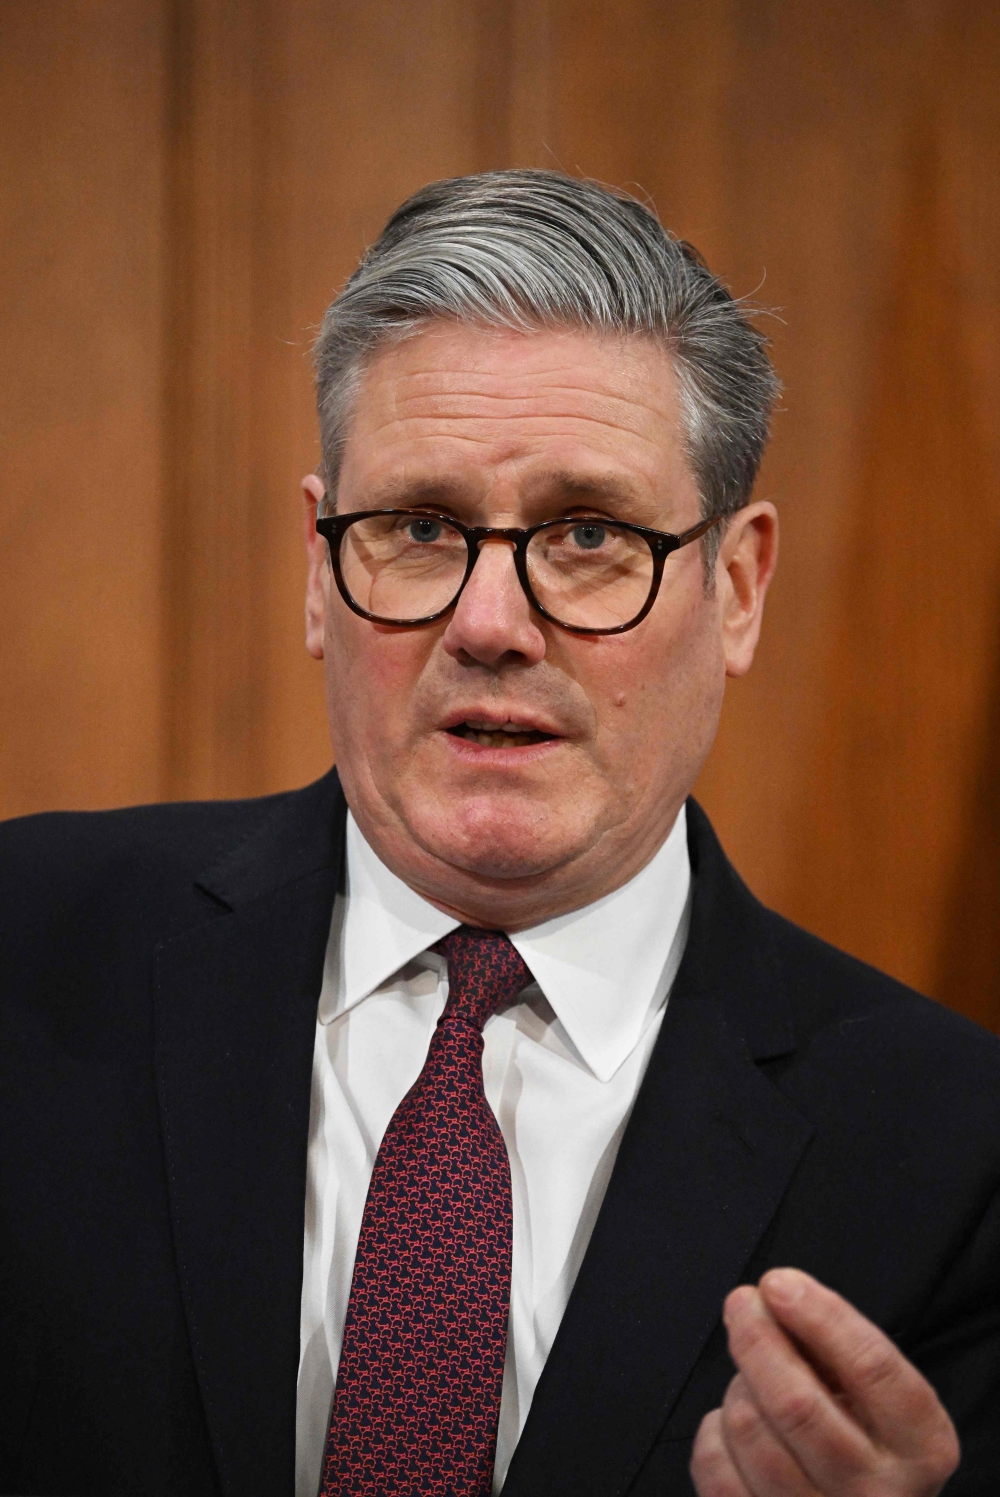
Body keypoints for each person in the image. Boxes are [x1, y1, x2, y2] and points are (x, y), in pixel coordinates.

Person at [1, 171, 997, 1497]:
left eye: (589, 534)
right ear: (319, 568)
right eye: (420, 528)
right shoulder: (22, 956)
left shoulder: (955, 1157)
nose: (490, 623)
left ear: (738, 587)